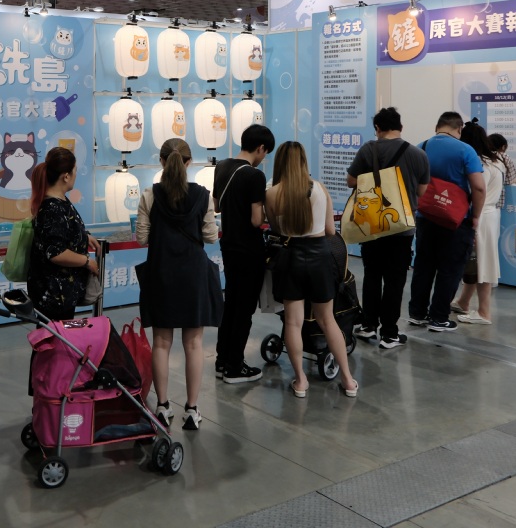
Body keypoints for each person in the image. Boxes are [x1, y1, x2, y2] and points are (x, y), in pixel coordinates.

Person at [135, 139, 222, 430]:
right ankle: (192, 409)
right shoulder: (202, 196)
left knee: (161, 343)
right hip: (193, 275)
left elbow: (142, 238)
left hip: (161, 273)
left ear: (162, 162)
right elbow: (211, 237)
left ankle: (162, 406)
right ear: (188, 162)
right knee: (194, 344)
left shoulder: (150, 195)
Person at [265, 142, 357, 397]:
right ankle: (348, 380)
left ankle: (300, 381)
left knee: (293, 323)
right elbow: (329, 231)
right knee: (328, 320)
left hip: (290, 258)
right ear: (303, 161)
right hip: (320, 257)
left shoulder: (272, 194)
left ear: (280, 163)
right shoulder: (320, 189)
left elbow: (275, 230)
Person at [345, 106, 429, 349]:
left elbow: (351, 181)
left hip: (373, 224)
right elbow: (421, 191)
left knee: (372, 275)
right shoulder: (418, 154)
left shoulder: (368, 149)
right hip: (402, 228)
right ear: (400, 127)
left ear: (377, 128)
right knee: (395, 280)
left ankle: (369, 325)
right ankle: (390, 334)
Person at [408, 112, 486, 332]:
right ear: (459, 128)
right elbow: (479, 187)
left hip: (425, 217)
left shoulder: (420, 147)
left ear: (437, 126)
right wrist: (476, 216)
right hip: (456, 219)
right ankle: (439, 317)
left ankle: (417, 313)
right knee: (450, 268)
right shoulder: (465, 150)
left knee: (424, 266)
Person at [212, 125, 275, 384]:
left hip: (228, 246)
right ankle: (235, 367)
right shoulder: (254, 175)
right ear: (260, 148)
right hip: (250, 249)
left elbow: (217, 205)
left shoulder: (222, 166)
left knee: (231, 304)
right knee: (244, 308)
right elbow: (256, 220)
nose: (263, 158)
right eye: (265, 152)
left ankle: (222, 360)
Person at [27, 147, 101, 320]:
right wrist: (87, 261)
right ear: (66, 176)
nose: (76, 175)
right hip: (53, 293)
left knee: (59, 334)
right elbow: (56, 252)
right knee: (53, 335)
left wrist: (83, 237)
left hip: (62, 291)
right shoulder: (52, 208)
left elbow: (62, 231)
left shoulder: (59, 202)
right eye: (75, 171)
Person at [452, 122, 505, 325]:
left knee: (483, 263)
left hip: (480, 214)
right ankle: (464, 301)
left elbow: (478, 191)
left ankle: (484, 312)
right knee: (478, 261)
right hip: (490, 214)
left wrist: (473, 218)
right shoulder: (495, 160)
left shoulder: (479, 164)